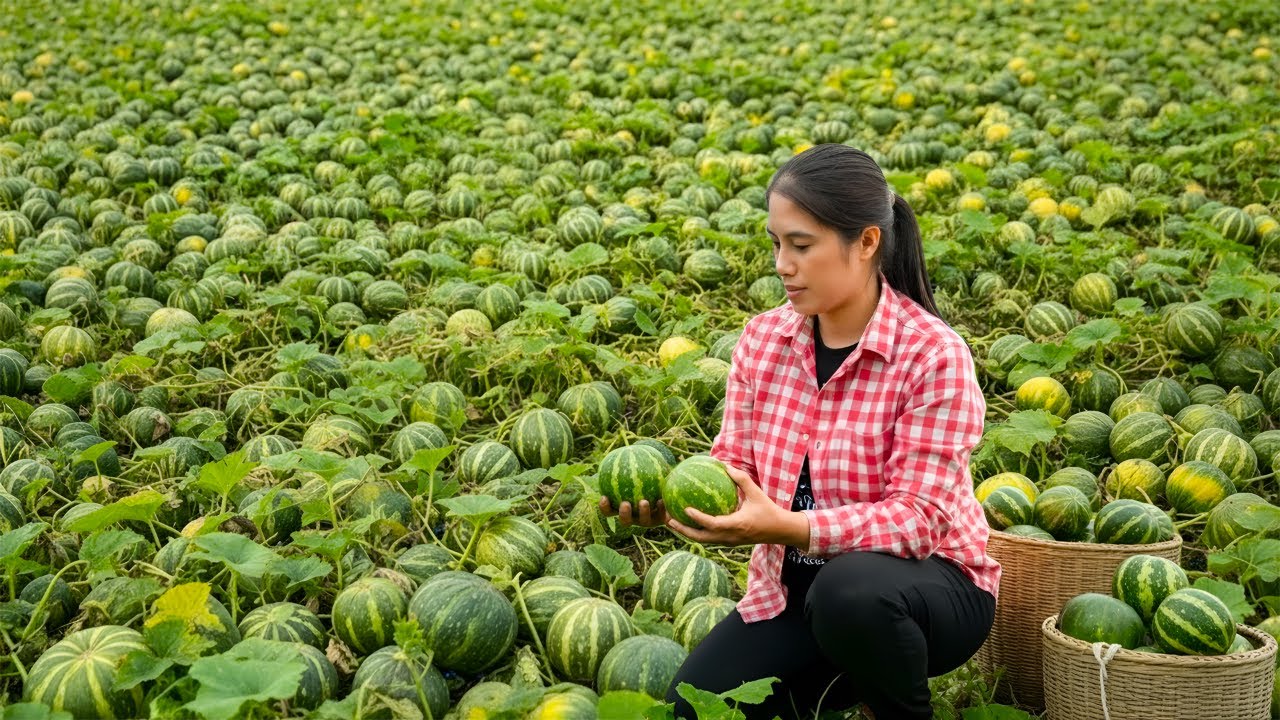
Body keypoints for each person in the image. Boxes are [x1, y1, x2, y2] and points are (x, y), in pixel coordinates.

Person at [599, 144, 1000, 720]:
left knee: (850, 592)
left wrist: (790, 525)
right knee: (695, 709)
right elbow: (734, 467)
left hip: (927, 590)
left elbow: (919, 520)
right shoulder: (763, 340)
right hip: (790, 594)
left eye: (802, 245)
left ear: (865, 243)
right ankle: (840, 681)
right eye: (777, 243)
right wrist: (680, 507)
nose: (782, 264)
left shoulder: (932, 354)